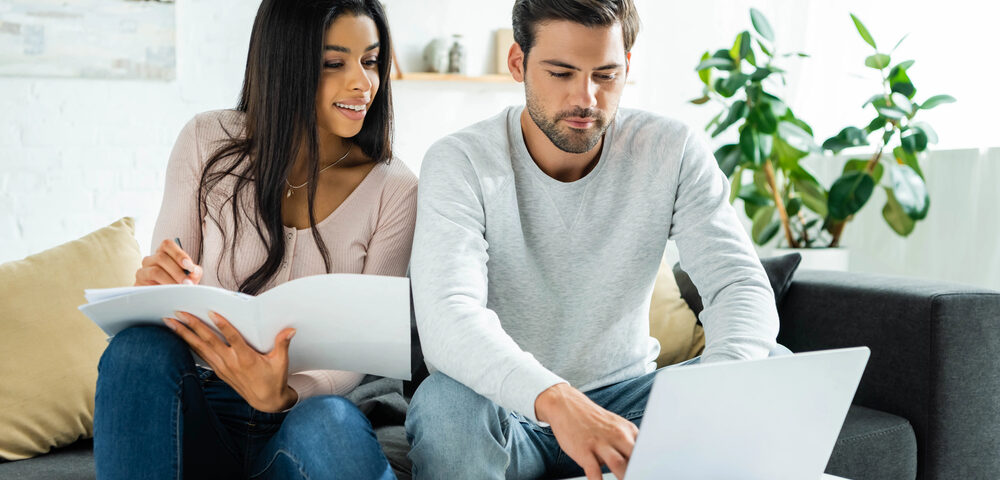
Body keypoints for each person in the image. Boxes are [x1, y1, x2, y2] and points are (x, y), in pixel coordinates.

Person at [405, 1, 786, 479]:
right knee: (445, 402)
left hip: (628, 406)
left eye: (605, 75)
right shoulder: (460, 161)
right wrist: (558, 402)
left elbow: (737, 283)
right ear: (519, 63)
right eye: (561, 73)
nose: (585, 98)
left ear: (627, 65)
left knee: (767, 363)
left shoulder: (671, 149)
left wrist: (715, 388)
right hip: (511, 413)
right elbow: (448, 317)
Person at [93, 1, 416, 478]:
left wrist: (283, 393)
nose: (362, 83)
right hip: (198, 405)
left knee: (330, 423)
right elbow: (170, 284)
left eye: (370, 61)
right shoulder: (206, 141)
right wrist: (157, 282)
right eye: (334, 63)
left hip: (299, 417)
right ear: (284, 62)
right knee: (136, 348)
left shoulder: (396, 190)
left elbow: (357, 358)